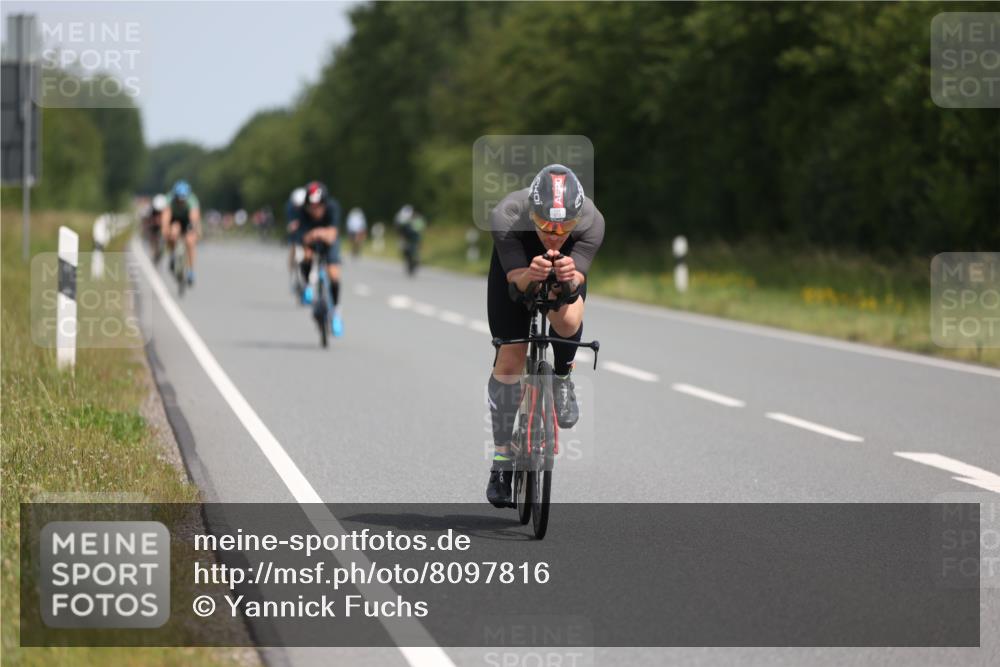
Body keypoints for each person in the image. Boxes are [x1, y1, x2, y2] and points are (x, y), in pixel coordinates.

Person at [484, 164, 605, 508]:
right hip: (517, 266)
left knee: (566, 321)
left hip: (563, 274)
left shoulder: (592, 222)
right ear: (531, 215)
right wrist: (530, 275)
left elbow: (576, 286)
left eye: (564, 227)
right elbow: (517, 283)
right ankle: (503, 462)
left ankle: (563, 376)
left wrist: (567, 279)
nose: (554, 235)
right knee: (510, 359)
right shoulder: (508, 215)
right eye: (545, 226)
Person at [297, 181, 344, 337]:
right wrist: (315, 235)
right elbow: (303, 237)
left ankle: (336, 311)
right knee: (307, 256)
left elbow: (332, 236)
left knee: (333, 273)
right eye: (312, 207)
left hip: (329, 242)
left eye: (318, 207)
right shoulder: (303, 212)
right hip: (312, 242)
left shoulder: (332, 208)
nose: (315, 210)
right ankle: (307, 285)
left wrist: (317, 233)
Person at [161, 180, 201, 285]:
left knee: (190, 242)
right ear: (175, 196)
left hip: (187, 220)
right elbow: (165, 217)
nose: (181, 202)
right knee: (172, 232)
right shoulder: (169, 199)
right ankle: (172, 254)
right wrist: (165, 230)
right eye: (178, 199)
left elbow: (194, 217)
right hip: (174, 219)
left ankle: (191, 271)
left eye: (183, 199)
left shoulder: (192, 200)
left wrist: (194, 229)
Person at [286, 187, 307, 299]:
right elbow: (290, 224)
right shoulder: (290, 208)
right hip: (296, 237)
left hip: (306, 236)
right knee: (293, 254)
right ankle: (292, 277)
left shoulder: (309, 208)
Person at [394, 204, 426, 276]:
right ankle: (409, 262)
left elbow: (420, 229)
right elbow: (398, 229)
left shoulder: (417, 218)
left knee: (415, 250)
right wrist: (400, 237)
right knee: (404, 250)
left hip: (414, 237)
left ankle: (417, 260)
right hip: (405, 237)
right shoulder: (400, 217)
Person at [145, 193, 168, 263]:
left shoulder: (166, 209)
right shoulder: (151, 210)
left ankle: (162, 247)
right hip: (154, 226)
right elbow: (148, 221)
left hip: (162, 225)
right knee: (152, 235)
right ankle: (153, 249)